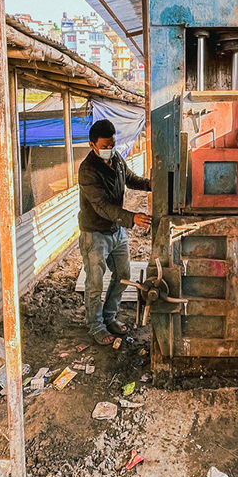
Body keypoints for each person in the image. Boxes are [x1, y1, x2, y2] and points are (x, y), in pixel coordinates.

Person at [75, 119, 151, 345]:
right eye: (105, 146)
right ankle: (96, 325)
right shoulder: (87, 171)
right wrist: (131, 217)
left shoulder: (116, 158)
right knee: (95, 283)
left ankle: (109, 317)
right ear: (92, 145)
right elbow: (102, 206)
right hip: (94, 234)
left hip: (116, 230)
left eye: (113, 144)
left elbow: (130, 179)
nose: (110, 149)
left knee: (123, 276)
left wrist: (150, 184)